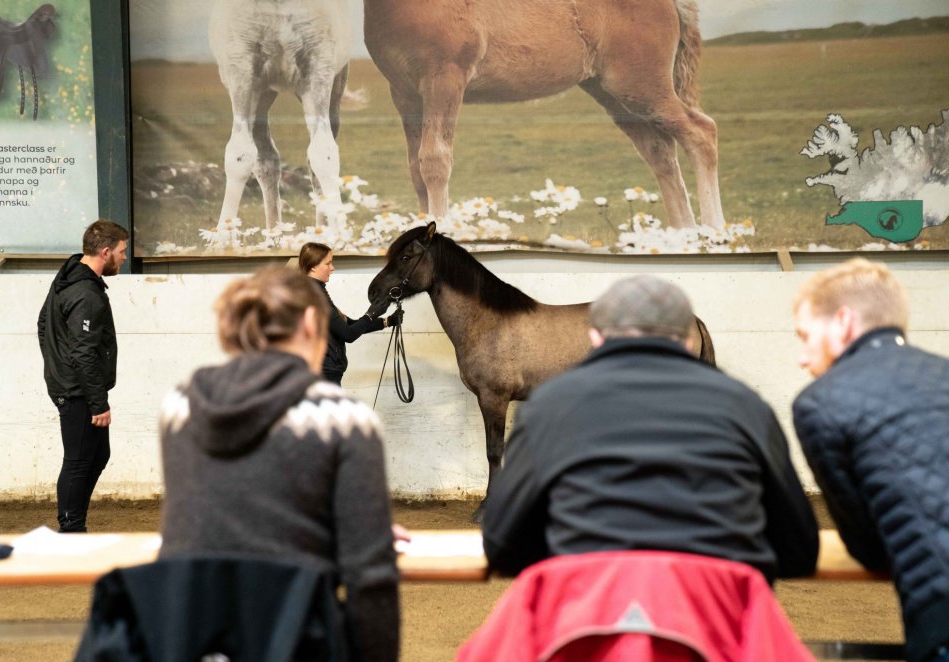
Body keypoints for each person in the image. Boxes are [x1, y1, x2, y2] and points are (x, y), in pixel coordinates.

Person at [482, 275, 819, 585]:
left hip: (594, 599)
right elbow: (799, 549)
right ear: (688, 337)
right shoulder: (746, 407)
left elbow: (503, 544)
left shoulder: (548, 407)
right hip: (705, 604)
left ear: (595, 336)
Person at [158, 266, 399, 662]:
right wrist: (356, 525)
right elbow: (370, 578)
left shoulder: (180, 405)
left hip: (196, 637)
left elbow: (230, 505)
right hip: (297, 636)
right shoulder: (345, 419)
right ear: (309, 320)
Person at [791, 258, 949, 662]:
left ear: (843, 323)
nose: (803, 358)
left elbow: (866, 545)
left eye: (805, 336)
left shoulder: (821, 402)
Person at [38, 220, 128, 533]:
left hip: (72, 383)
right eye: (121, 251)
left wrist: (56, 365)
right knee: (78, 460)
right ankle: (71, 528)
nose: (124, 257)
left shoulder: (67, 277)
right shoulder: (86, 294)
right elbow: (83, 352)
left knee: (98, 454)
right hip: (77, 389)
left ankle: (74, 520)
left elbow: (43, 323)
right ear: (106, 252)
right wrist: (98, 402)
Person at [298, 242, 402, 384]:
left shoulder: (314, 291)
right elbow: (348, 334)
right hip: (323, 373)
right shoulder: (314, 296)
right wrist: (371, 313)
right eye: (328, 264)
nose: (332, 268)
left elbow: (348, 324)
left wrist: (386, 321)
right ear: (314, 266)